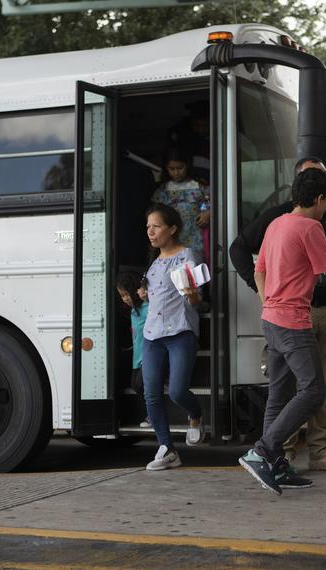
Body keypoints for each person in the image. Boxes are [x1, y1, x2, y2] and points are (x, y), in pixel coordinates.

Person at [239, 168, 326, 496]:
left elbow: (259, 270)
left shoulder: (277, 223)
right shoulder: (311, 228)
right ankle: (264, 451)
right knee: (313, 390)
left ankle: (276, 464)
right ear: (321, 198)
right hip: (294, 322)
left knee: (280, 394)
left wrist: (269, 301)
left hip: (271, 318)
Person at [141, 203, 205, 471]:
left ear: (173, 229)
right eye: (148, 227)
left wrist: (192, 295)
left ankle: (196, 413)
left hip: (180, 331)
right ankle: (167, 447)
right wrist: (142, 293)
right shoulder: (154, 264)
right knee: (151, 394)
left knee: (178, 391)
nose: (150, 232)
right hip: (152, 335)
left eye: (156, 226)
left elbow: (198, 297)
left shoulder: (188, 254)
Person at [151, 148, 209, 259]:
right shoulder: (163, 190)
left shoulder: (198, 186)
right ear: (166, 168)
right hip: (172, 239)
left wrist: (207, 212)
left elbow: (209, 202)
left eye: (180, 168)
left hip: (195, 238)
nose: (176, 172)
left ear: (187, 165)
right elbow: (154, 213)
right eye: (172, 169)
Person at [116, 271, 150, 428]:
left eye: (126, 294)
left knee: (141, 382)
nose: (125, 299)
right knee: (135, 385)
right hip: (137, 356)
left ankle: (152, 415)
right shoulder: (133, 311)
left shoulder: (147, 307)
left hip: (148, 355)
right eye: (122, 296)